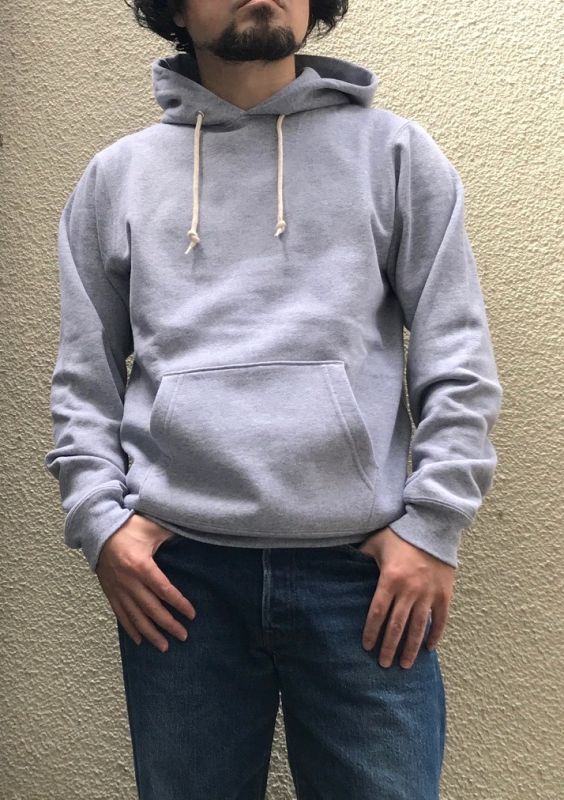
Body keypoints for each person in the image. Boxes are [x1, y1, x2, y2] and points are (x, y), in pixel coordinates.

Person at [44, 0, 503, 797]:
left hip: (364, 582)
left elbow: (457, 362)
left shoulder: (396, 156)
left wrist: (432, 531)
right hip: (180, 583)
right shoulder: (116, 178)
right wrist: (101, 526)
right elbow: (85, 379)